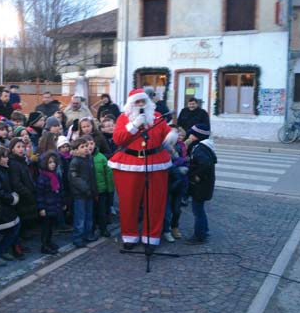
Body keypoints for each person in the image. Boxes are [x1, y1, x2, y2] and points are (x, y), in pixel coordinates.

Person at [108, 88, 177, 250]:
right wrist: (134, 125)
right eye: (137, 102)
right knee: (128, 203)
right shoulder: (123, 118)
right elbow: (118, 139)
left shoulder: (157, 117)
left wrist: (171, 134)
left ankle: (151, 237)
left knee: (155, 203)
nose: (140, 104)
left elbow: (167, 131)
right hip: (128, 164)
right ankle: (129, 236)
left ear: (148, 102)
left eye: (143, 101)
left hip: (155, 163)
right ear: (130, 104)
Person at [185, 124, 216, 245]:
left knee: (197, 211)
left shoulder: (200, 149)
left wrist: (197, 175)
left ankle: (199, 236)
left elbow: (205, 164)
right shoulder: (203, 147)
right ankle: (205, 231)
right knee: (200, 210)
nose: (189, 135)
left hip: (201, 186)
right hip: (204, 186)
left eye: (192, 133)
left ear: (197, 136)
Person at [8, 137, 37, 257]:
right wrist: (27, 193)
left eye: (22, 147)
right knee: (18, 223)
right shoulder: (14, 163)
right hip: (21, 197)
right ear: (12, 149)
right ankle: (16, 246)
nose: (21, 149)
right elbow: (16, 183)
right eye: (18, 147)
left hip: (26, 195)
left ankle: (20, 243)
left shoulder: (22, 161)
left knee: (23, 222)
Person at [69, 137, 98, 248]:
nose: (86, 148)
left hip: (89, 193)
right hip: (80, 195)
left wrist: (94, 191)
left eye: (86, 146)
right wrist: (86, 189)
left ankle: (88, 234)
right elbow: (75, 179)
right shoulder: (75, 161)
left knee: (89, 216)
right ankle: (78, 238)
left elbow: (93, 177)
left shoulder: (89, 159)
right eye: (82, 147)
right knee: (80, 218)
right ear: (76, 150)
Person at [36, 151, 64, 254]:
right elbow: (40, 194)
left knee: (51, 226)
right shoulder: (42, 177)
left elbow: (59, 190)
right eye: (50, 162)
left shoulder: (55, 175)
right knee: (45, 228)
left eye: (54, 162)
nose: (52, 164)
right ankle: (44, 245)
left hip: (54, 205)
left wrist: (61, 202)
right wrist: (41, 208)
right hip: (47, 206)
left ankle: (49, 242)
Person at [87, 136, 114, 238]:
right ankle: (92, 230)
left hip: (101, 190)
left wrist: (110, 189)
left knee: (102, 211)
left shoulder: (101, 157)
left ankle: (103, 229)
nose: (89, 146)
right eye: (87, 144)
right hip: (89, 191)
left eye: (91, 144)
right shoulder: (83, 158)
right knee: (91, 212)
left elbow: (108, 174)